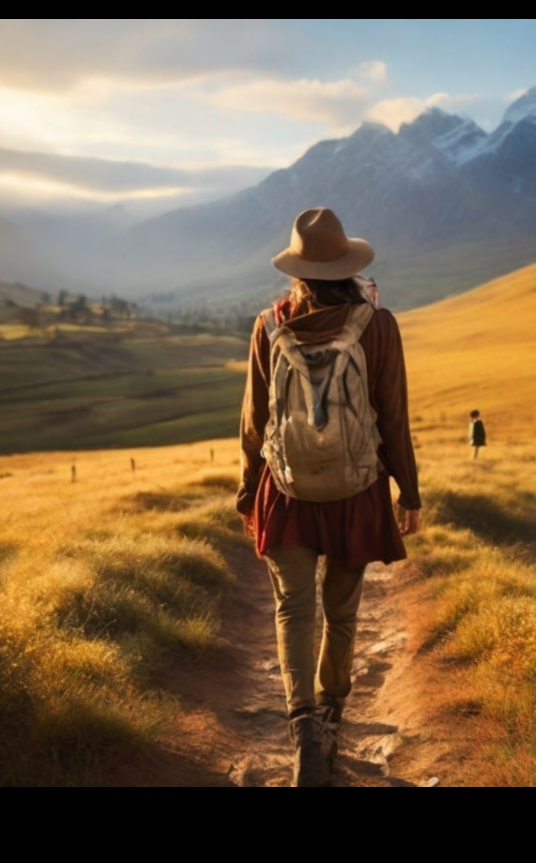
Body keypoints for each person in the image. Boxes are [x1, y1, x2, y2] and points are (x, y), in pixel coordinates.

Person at [237, 207, 421, 786]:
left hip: (286, 490)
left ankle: (303, 728)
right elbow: (392, 416)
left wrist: (249, 494)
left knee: (294, 607)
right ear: (348, 265)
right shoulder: (378, 324)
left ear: (297, 271)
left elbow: (253, 421)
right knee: (340, 610)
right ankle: (333, 712)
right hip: (355, 489)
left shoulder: (268, 325)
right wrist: (408, 492)